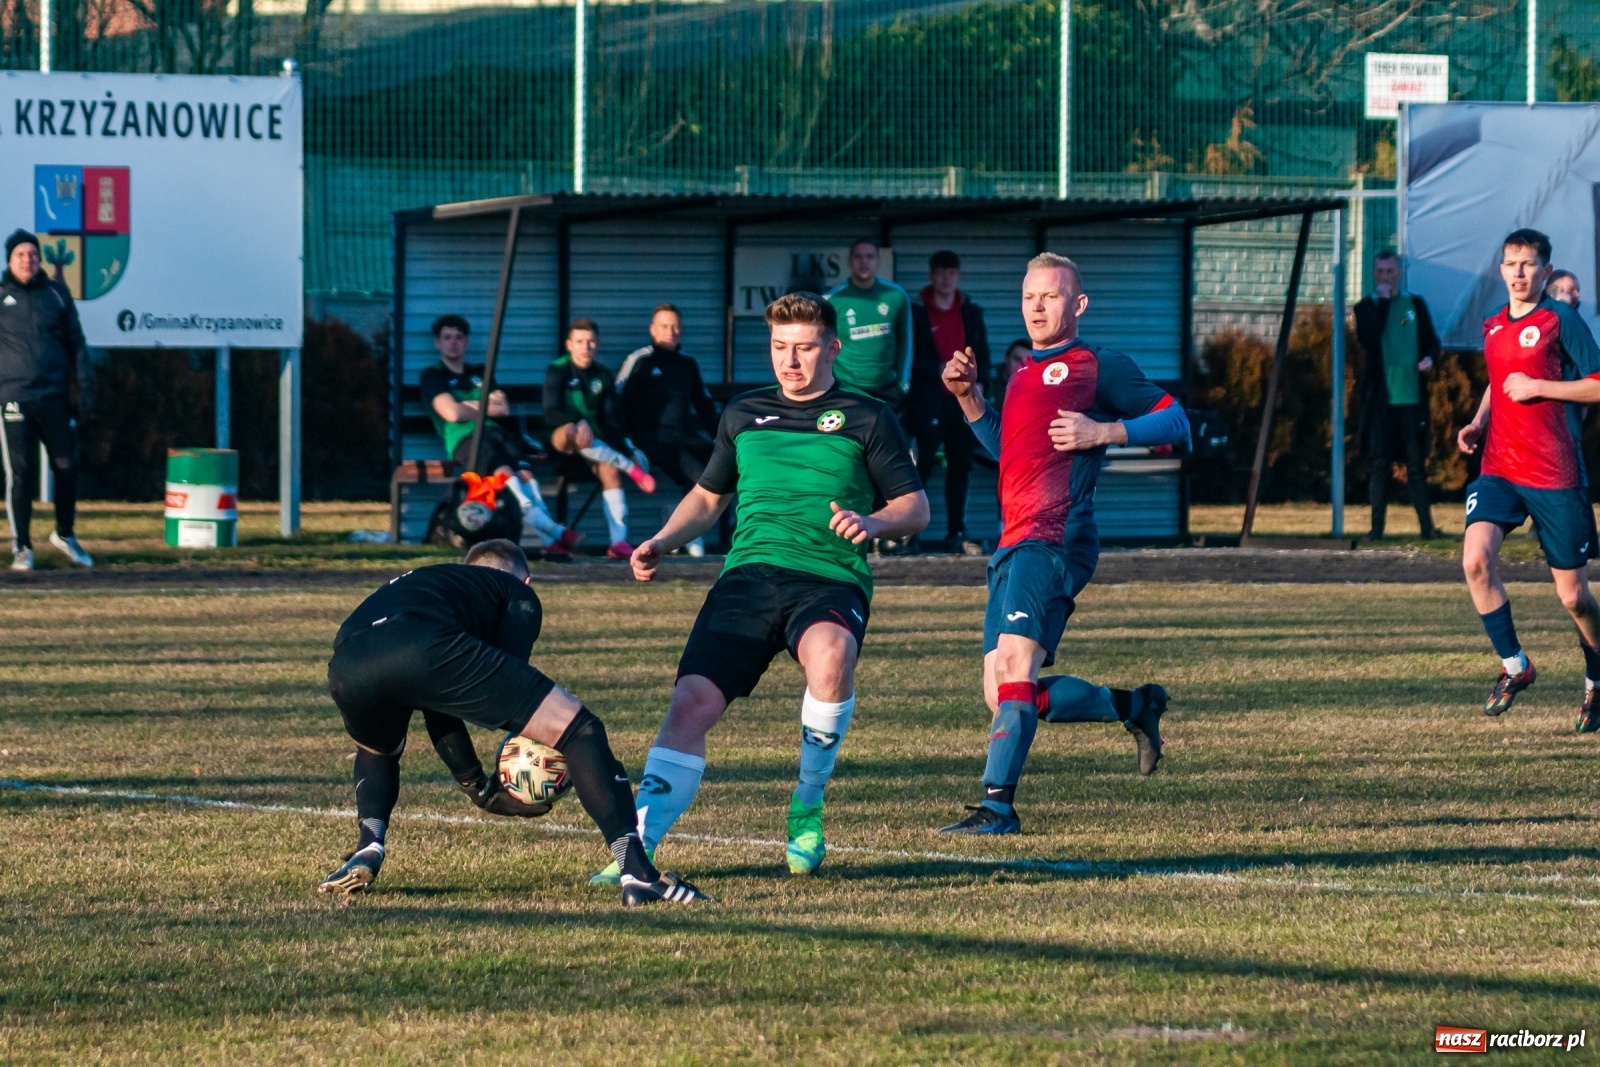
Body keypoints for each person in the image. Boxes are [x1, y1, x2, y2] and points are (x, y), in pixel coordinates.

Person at [587, 292, 928, 884]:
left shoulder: (869, 416)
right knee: (689, 703)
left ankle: (807, 808)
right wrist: (662, 540)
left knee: (831, 652)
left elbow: (914, 507)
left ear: (832, 348)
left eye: (802, 348)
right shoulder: (743, 413)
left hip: (827, 576)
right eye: (778, 348)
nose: (789, 361)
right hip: (747, 576)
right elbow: (708, 497)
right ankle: (635, 850)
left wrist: (875, 522)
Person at [937, 253, 1191, 835]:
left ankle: (997, 808)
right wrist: (969, 397)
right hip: (1014, 539)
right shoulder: (1025, 371)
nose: (1037, 307)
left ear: (1077, 305)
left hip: (1054, 537)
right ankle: (1134, 705)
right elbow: (1010, 449)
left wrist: (1106, 431)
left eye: (1050, 297)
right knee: (1001, 691)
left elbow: (1176, 420)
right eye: (1029, 297)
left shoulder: (1096, 366)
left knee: (1016, 667)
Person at [319, 539, 708, 905]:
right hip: (419, 640)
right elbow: (503, 705)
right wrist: (484, 788)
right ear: (526, 580)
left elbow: (438, 700)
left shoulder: (433, 581)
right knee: (578, 729)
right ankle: (637, 873)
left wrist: (475, 784)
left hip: (348, 662)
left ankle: (370, 843)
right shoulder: (516, 595)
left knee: (379, 749)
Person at [1456, 228, 1600, 734]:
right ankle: (1515, 666)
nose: (1518, 272)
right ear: (1501, 269)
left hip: (1555, 473)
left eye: (1528, 263)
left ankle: (1597, 675)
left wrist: (1541, 386)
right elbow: (1500, 384)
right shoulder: (1494, 325)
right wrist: (1478, 422)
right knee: (1475, 559)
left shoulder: (1561, 319)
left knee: (1575, 599)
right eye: (1510, 263)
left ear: (1545, 270)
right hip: (1499, 467)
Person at [419, 314, 581, 559]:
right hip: (466, 440)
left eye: (459, 338)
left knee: (526, 475)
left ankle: (551, 541)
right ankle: (555, 531)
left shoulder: (479, 372)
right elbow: (451, 413)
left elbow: (502, 408)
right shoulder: (433, 375)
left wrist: (467, 405)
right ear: (437, 343)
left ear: (467, 343)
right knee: (504, 473)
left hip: (497, 433)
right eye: (447, 337)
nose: (453, 342)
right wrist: (482, 404)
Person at [0, 229, 95, 571]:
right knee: (22, 472)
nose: (28, 260)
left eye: (33, 255)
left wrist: (84, 384)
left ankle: (65, 535)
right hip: (14, 399)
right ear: (9, 260)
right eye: (20, 255)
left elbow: (77, 343)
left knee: (67, 466)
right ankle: (22, 547)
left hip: (54, 397)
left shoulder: (56, 294)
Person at [545, 318, 656, 559]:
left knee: (610, 472)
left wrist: (627, 448)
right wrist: (576, 420)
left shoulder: (602, 375)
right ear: (569, 345)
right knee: (573, 432)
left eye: (591, 341)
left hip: (596, 445)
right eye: (580, 341)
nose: (586, 347)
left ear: (598, 345)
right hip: (561, 443)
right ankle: (631, 470)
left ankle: (618, 542)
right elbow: (550, 411)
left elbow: (610, 421)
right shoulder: (557, 370)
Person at [616, 303, 719, 557]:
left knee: (723, 465)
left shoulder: (688, 364)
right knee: (698, 476)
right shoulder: (639, 360)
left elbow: (704, 405)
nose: (670, 331)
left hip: (682, 436)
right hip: (650, 439)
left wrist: (722, 438)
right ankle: (687, 534)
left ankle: (677, 517)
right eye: (664, 326)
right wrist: (626, 443)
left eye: (675, 326)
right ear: (652, 329)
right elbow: (617, 403)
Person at [1354, 250, 1443, 540]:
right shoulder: (1365, 307)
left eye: (1390, 271)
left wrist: (1429, 358)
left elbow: (1431, 340)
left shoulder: (1414, 305)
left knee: (1415, 466)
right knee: (1380, 465)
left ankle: (1427, 529)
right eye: (1380, 272)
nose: (1385, 277)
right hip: (1381, 399)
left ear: (1400, 273)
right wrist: (1381, 304)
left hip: (1411, 397)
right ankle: (1376, 530)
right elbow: (1369, 339)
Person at [910, 251, 989, 555]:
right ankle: (910, 533)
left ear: (959, 276)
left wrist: (978, 383)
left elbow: (982, 351)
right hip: (929, 402)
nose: (945, 279)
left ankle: (957, 532)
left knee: (960, 467)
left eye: (951, 273)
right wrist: (940, 369)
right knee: (922, 467)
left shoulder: (971, 311)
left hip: (963, 403)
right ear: (931, 276)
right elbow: (911, 357)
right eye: (940, 273)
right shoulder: (917, 312)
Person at [825, 238, 913, 409]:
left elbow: (906, 340)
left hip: (886, 387)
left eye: (870, 257)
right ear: (850, 261)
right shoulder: (834, 300)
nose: (864, 262)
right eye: (858, 257)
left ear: (878, 261)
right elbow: (823, 345)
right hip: (848, 386)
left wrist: (903, 382)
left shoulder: (896, 295)